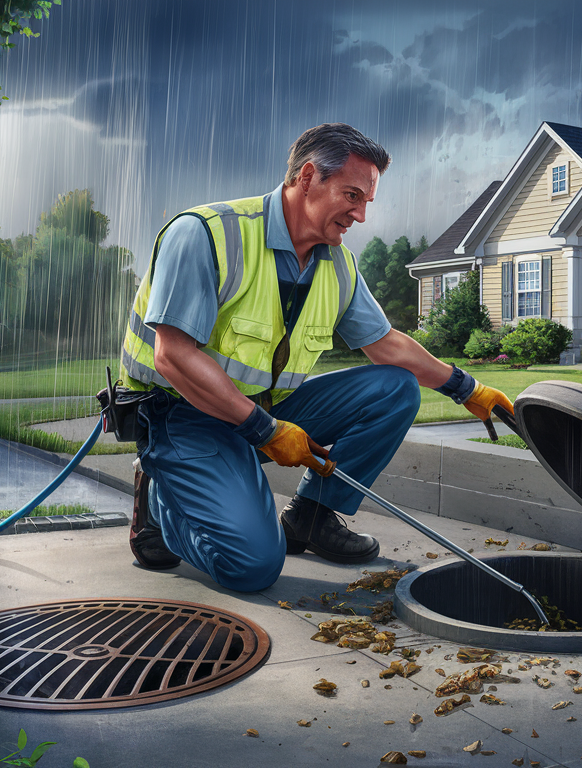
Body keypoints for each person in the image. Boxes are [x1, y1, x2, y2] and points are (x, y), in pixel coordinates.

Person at [118, 123, 512, 592]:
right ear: (308, 178)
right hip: (180, 415)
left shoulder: (336, 263)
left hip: (264, 410)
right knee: (253, 568)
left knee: (393, 388)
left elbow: (385, 345)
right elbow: (173, 356)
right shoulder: (207, 235)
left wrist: (467, 388)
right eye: (352, 195)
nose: (361, 215)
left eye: (367, 201)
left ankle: (311, 517)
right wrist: (264, 431)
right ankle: (160, 502)